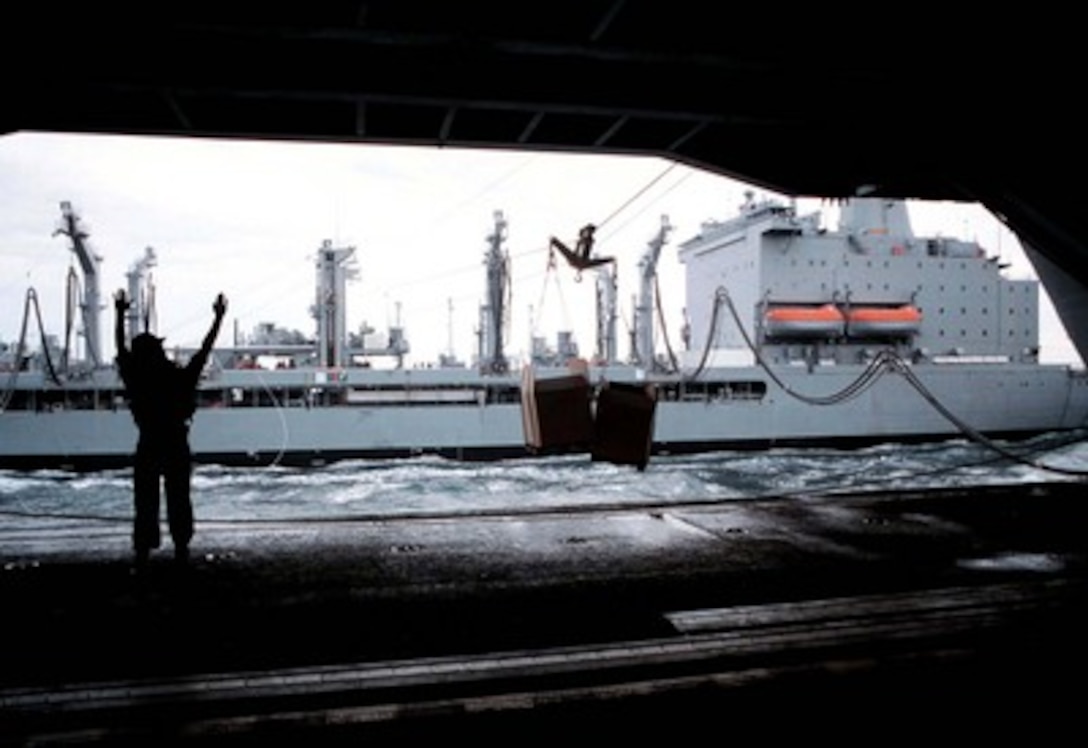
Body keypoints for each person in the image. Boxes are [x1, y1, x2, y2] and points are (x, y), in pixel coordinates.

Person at [114, 289, 227, 569]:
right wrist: (218, 318)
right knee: (179, 499)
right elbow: (204, 350)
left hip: (149, 442)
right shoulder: (180, 379)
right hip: (176, 442)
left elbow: (120, 349)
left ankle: (143, 550)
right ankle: (181, 548)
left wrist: (119, 314)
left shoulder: (136, 379)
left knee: (145, 501)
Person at [549, 223, 614, 271]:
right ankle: (587, 235)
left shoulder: (578, 258)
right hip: (578, 261)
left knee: (581, 255)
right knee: (581, 255)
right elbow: (564, 250)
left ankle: (587, 234)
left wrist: (555, 241)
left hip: (578, 261)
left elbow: (564, 249)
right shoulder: (580, 259)